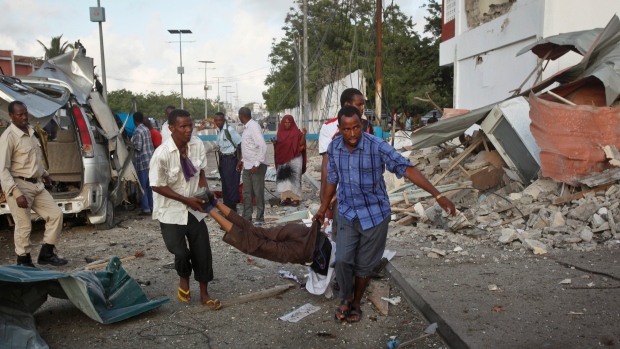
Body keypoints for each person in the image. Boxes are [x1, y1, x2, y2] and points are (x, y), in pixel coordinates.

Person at [314, 106, 456, 323]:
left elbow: (406, 168)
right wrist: (323, 209)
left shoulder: (376, 146)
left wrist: (437, 195)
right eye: (346, 129)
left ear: (361, 125)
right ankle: (346, 296)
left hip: (374, 216)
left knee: (364, 265)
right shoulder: (334, 147)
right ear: (339, 129)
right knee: (342, 260)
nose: (352, 134)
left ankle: (356, 303)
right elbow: (332, 179)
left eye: (356, 128)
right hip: (347, 213)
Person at [149, 108, 222, 310]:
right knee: (180, 252)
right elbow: (156, 185)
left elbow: (201, 172)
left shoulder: (197, 144)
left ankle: (205, 294)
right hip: (171, 211)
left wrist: (205, 191)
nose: (188, 130)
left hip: (194, 209)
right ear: (172, 128)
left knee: (203, 251)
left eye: (190, 125)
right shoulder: (162, 154)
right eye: (183, 126)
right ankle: (183, 278)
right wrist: (184, 199)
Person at [0, 101, 66, 267]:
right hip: (19, 185)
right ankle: (23, 260)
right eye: (19, 114)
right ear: (11, 116)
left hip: (37, 185)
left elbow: (35, 158)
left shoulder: (30, 131)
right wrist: (16, 193)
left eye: (25, 113)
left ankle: (47, 253)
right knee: (24, 225)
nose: (23, 117)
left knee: (56, 215)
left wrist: (45, 175)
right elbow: (3, 170)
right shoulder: (8, 137)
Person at [196, 192, 329, 268]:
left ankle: (214, 202)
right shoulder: (341, 259)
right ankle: (209, 208)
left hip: (306, 231)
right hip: (304, 249)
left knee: (254, 230)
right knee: (254, 244)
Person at [235, 107, 267, 226]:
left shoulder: (253, 127)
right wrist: (241, 160)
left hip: (256, 166)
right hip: (247, 166)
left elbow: (262, 146)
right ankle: (247, 217)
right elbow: (249, 147)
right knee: (247, 193)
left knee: (258, 192)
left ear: (241, 116)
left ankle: (259, 218)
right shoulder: (246, 128)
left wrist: (257, 164)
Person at [273, 115, 306, 206]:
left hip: (295, 159)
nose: (287, 124)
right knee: (285, 179)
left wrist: (303, 134)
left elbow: (302, 143)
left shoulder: (296, 132)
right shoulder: (279, 133)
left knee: (294, 178)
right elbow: (278, 144)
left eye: (289, 123)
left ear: (292, 123)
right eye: (285, 123)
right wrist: (275, 143)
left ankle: (296, 199)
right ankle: (286, 198)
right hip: (283, 159)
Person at [214, 112, 242, 211]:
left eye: (220, 120)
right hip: (223, 160)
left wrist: (240, 161)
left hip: (231, 159)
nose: (218, 122)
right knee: (225, 184)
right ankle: (226, 207)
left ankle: (233, 208)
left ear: (224, 120)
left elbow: (240, 143)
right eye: (216, 120)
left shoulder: (229, 130)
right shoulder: (219, 131)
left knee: (232, 184)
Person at [132, 112, 155, 216]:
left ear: (134, 120)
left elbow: (138, 147)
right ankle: (152, 206)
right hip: (150, 160)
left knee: (142, 187)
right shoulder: (146, 129)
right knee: (150, 186)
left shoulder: (137, 131)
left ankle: (146, 209)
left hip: (142, 162)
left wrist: (131, 145)